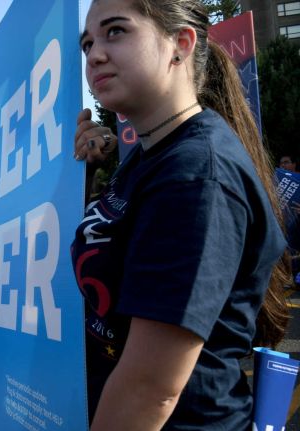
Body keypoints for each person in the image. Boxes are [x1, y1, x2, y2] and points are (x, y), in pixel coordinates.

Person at [72, 0, 292, 429]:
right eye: (87, 43)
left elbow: (150, 390)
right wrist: (82, 173)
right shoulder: (149, 157)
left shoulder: (196, 174)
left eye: (115, 31)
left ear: (181, 44)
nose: (94, 53)